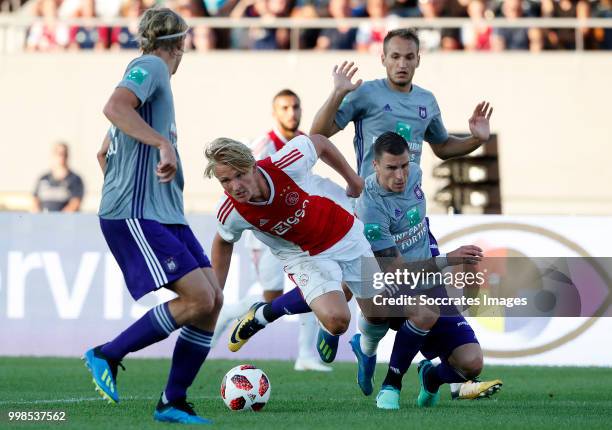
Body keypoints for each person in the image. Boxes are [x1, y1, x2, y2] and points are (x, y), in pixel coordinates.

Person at [310, 28, 499, 400]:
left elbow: (443, 147)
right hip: (369, 210)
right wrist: (336, 93)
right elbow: (317, 134)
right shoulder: (365, 94)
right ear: (382, 58)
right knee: (368, 285)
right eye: (394, 56)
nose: (401, 63)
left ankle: (378, 352)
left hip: (410, 215)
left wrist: (476, 140)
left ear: (418, 59)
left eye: (408, 57)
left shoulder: (426, 101)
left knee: (413, 301)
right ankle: (349, 337)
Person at [84, 7, 222, 425]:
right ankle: (107, 353)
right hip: (137, 213)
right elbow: (113, 107)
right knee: (198, 298)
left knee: (212, 301)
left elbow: (103, 151)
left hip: (162, 213)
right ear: (181, 42)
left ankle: (172, 401)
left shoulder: (151, 87)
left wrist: (130, 173)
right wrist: (162, 146)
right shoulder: (151, 67)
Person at [354, 131, 502, 409]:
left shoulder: (416, 174)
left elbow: (420, 225)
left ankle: (431, 377)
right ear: (375, 165)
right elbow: (397, 271)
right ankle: (390, 386)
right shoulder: (370, 207)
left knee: (472, 363)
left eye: (404, 166)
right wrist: (447, 259)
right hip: (390, 282)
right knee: (423, 312)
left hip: (428, 278)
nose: (400, 176)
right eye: (391, 168)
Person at [211, 89, 331, 372]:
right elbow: (239, 190)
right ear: (274, 113)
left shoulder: (302, 142)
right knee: (272, 298)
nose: (292, 113)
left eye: (295, 107)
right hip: (262, 237)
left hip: (295, 228)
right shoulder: (262, 145)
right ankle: (229, 315)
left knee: (314, 284)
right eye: (285, 108)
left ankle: (305, 355)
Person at [33, 142, 84, 212]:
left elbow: (75, 203)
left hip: (64, 220)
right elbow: (35, 200)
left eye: (64, 154)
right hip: (43, 220)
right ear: (53, 155)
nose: (61, 157)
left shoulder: (75, 180)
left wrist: (59, 218)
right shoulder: (43, 178)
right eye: (58, 153)